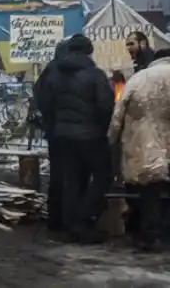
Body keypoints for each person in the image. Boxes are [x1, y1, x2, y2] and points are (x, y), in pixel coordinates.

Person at [38, 34, 114, 243]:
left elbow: (44, 102)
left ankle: (70, 225)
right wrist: (102, 127)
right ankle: (83, 218)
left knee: (71, 180)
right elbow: (106, 105)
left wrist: (54, 125)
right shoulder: (95, 74)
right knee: (103, 175)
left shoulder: (55, 73)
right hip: (91, 135)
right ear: (89, 51)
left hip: (62, 135)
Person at [109, 48, 170, 252]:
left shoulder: (138, 79)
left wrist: (112, 139)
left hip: (143, 143)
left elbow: (118, 115)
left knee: (148, 189)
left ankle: (148, 234)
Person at [34, 38, 71, 235]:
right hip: (72, 131)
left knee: (57, 174)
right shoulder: (69, 72)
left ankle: (55, 217)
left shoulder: (49, 70)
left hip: (54, 130)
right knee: (72, 174)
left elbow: (40, 96)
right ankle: (67, 217)